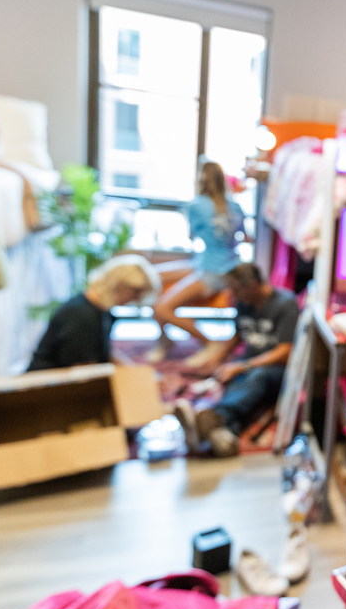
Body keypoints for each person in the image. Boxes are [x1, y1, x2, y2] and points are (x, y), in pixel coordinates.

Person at [175, 263, 300, 456]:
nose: (231, 295)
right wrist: (218, 359)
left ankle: (218, 419)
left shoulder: (285, 304)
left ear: (250, 286)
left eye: (234, 290)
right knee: (230, 375)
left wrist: (242, 366)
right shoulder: (244, 302)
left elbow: (285, 351)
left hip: (277, 368)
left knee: (256, 376)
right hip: (250, 361)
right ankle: (223, 435)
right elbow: (238, 335)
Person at [149, 159, 246, 364]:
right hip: (223, 264)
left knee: (161, 308)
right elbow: (244, 237)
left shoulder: (196, 206)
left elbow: (192, 236)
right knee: (152, 277)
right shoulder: (236, 206)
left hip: (213, 271)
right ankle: (165, 341)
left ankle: (210, 343)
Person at [28, 254, 161, 371]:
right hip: (44, 385)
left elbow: (103, 354)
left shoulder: (101, 311)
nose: (136, 299)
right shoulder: (81, 315)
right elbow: (84, 371)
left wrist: (135, 372)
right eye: (136, 292)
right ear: (118, 285)